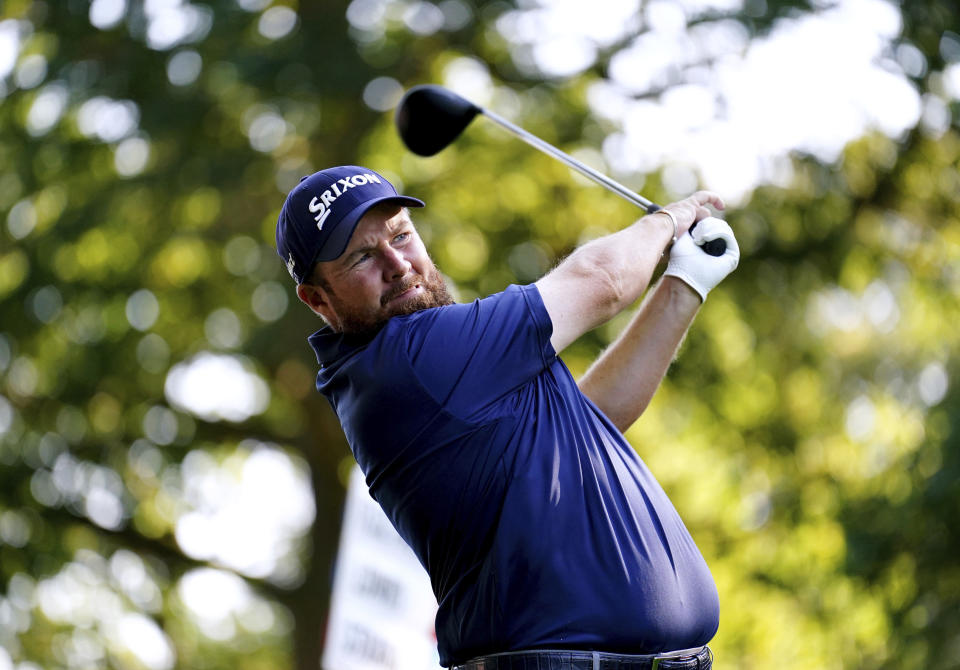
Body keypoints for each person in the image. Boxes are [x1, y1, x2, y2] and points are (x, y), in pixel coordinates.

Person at [276, 165, 740, 670]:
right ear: (317, 298)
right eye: (362, 257)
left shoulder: (451, 373)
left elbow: (593, 419)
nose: (397, 264)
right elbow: (602, 280)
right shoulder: (407, 361)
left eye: (401, 236)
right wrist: (669, 220)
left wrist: (685, 280)